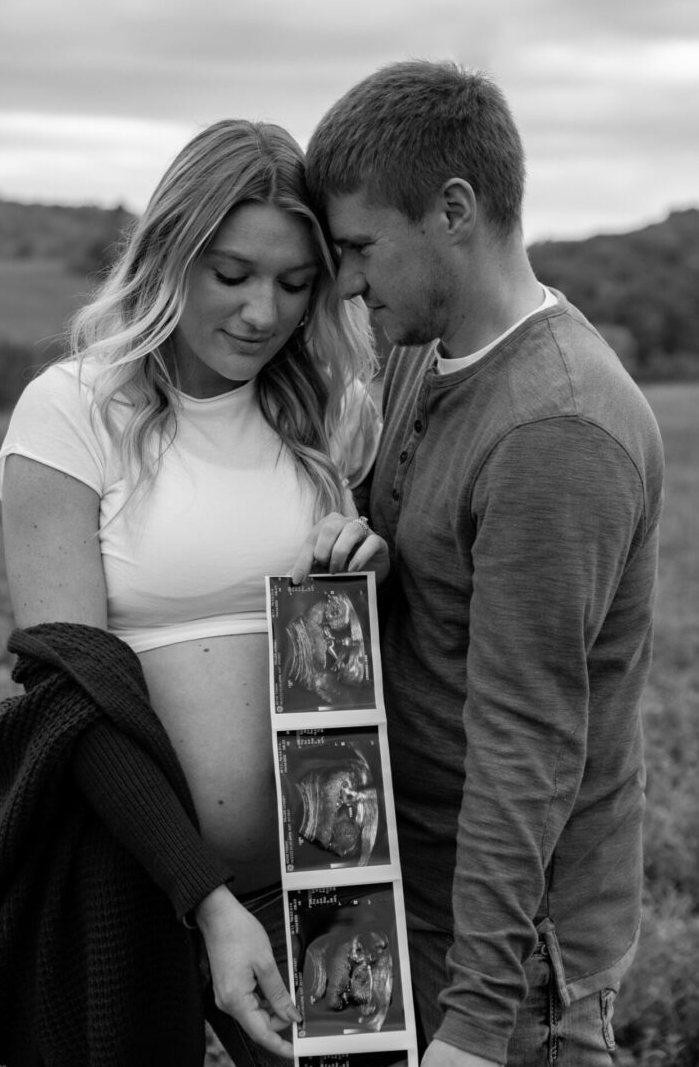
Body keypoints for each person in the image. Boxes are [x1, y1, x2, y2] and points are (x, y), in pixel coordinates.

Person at [0, 118, 385, 1067]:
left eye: (294, 283)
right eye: (231, 275)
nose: (261, 313)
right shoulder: (75, 408)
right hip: (134, 874)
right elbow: (69, 696)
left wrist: (369, 570)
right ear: (171, 253)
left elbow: (360, 651)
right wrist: (204, 898)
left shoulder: (333, 411)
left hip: (315, 883)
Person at [292, 60, 665, 1066]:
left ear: (454, 209)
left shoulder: (555, 428)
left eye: (364, 247)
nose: (352, 281)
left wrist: (475, 1025)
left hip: (509, 962)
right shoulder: (423, 351)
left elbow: (527, 741)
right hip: (408, 896)